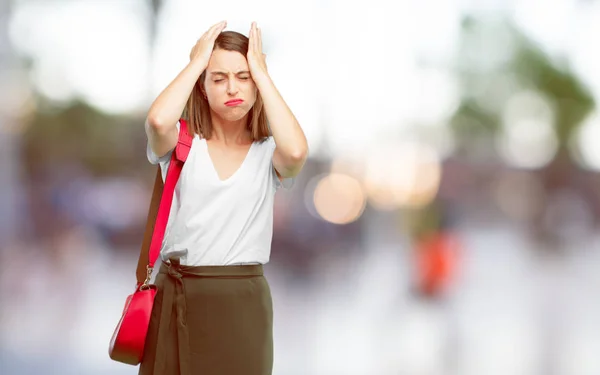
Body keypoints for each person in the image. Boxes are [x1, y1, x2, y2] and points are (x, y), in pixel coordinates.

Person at [139, 20, 308, 375]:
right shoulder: (183, 143)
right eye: (218, 78)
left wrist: (262, 73)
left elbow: (295, 153)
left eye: (243, 76)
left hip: (242, 306)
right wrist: (196, 63)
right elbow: (157, 121)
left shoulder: (268, 154)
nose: (233, 87)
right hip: (178, 299)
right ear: (203, 87)